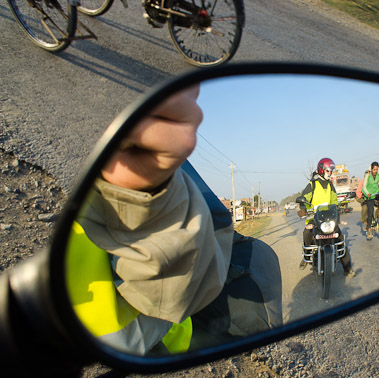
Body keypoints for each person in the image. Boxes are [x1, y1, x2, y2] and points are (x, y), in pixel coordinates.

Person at [67, 86, 282, 355]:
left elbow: (199, 263)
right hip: (145, 335)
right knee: (259, 259)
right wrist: (143, 191)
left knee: (258, 259)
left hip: (151, 332)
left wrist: (144, 192)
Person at [295, 158, 356, 277]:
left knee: (339, 238)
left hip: (328, 218)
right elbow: (304, 198)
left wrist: (339, 206)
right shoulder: (312, 184)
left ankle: (347, 268)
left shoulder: (330, 185)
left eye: (331, 171)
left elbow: (334, 200)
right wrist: (303, 209)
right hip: (314, 217)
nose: (330, 173)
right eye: (328, 171)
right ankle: (306, 255)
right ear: (322, 170)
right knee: (307, 232)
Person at [362, 161, 379, 240]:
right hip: (370, 196)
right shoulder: (367, 176)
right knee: (370, 212)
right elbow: (364, 188)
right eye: (374, 170)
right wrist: (367, 193)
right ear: (371, 169)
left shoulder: (378, 175)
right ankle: (369, 229)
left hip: (376, 194)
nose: (375, 171)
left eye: (377, 169)